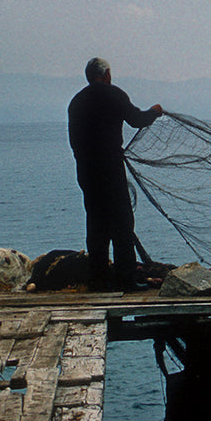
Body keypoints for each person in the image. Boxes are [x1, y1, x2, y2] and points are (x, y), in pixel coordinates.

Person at [67, 57, 163, 291]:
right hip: (110, 169)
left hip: (87, 172)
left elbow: (74, 142)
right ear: (107, 74)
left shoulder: (76, 102)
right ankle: (125, 280)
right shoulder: (114, 94)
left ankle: (98, 280)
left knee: (96, 224)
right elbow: (136, 119)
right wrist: (154, 112)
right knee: (122, 224)